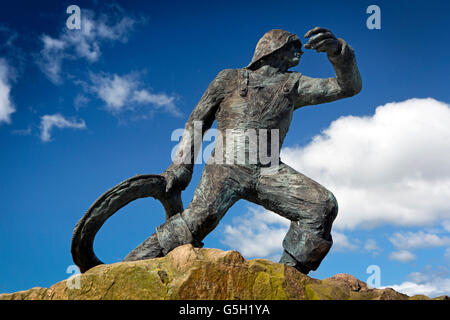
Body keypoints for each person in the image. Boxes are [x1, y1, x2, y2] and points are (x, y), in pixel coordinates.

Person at [124, 27, 362, 274]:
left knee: (321, 206)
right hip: (226, 167)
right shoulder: (229, 79)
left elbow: (347, 87)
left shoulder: (294, 84)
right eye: (294, 46)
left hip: (269, 170)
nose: (300, 51)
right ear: (273, 48)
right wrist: (181, 166)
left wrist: (338, 53)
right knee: (196, 222)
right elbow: (197, 121)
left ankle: (287, 279)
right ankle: (125, 268)